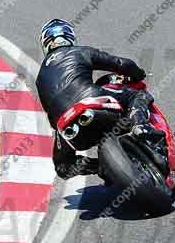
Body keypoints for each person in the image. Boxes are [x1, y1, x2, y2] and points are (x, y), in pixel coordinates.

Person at [36, 18, 164, 180]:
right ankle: (140, 126)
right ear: (70, 37)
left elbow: (51, 116)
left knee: (63, 167)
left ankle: (103, 167)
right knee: (138, 95)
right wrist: (138, 73)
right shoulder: (80, 51)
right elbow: (120, 63)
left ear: (45, 43)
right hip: (91, 101)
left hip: (67, 125)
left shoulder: (40, 78)